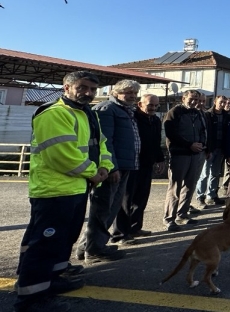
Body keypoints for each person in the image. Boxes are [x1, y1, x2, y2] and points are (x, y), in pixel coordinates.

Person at [15, 71, 112, 312]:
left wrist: (105, 167)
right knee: (44, 244)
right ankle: (31, 298)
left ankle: (53, 278)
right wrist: (93, 172)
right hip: (54, 190)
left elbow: (101, 144)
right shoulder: (54, 113)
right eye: (82, 87)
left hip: (75, 187)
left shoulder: (87, 113)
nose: (88, 93)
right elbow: (61, 154)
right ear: (66, 87)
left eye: (93, 89)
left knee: (63, 239)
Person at [78, 79, 140, 260]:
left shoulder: (125, 110)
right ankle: (94, 250)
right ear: (115, 93)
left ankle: (88, 247)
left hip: (124, 165)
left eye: (134, 93)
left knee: (110, 209)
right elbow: (105, 141)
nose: (132, 96)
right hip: (112, 169)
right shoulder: (106, 109)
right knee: (103, 209)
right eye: (128, 92)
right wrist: (111, 168)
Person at [115, 93, 164, 241]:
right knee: (126, 200)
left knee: (141, 198)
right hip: (131, 163)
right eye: (150, 105)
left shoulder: (155, 120)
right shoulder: (133, 119)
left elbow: (156, 141)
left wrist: (159, 159)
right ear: (140, 104)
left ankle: (135, 228)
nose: (153, 108)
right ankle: (120, 234)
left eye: (156, 105)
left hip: (146, 164)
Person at [162, 89, 207, 232]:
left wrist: (201, 144)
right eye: (191, 99)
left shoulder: (198, 113)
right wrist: (189, 145)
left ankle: (182, 214)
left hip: (195, 154)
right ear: (184, 98)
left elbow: (203, 131)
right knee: (175, 187)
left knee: (190, 185)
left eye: (196, 99)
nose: (194, 102)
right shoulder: (174, 112)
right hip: (179, 154)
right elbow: (171, 134)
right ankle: (169, 219)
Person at [196, 95, 229, 209]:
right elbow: (206, 133)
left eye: (224, 102)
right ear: (215, 102)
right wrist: (207, 149)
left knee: (215, 173)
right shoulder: (208, 114)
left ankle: (212, 195)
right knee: (204, 174)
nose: (223, 104)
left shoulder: (226, 115)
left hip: (220, 149)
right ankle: (200, 197)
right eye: (221, 102)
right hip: (210, 149)